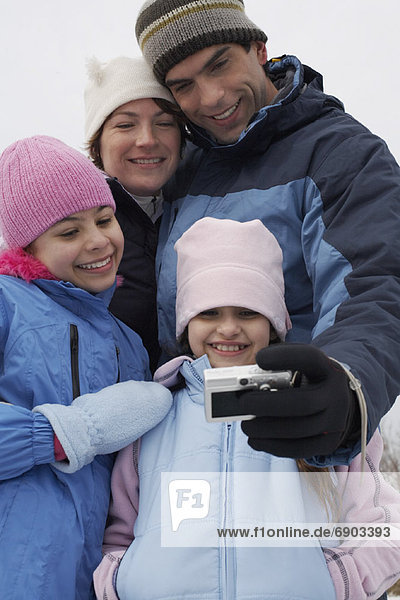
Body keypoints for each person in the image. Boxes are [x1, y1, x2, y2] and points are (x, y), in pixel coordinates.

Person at [133, 0, 400, 466]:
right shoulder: (176, 171)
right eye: (184, 86)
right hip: (181, 449)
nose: (211, 97)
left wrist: (345, 386)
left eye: (220, 64)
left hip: (297, 440)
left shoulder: (342, 153)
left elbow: (378, 284)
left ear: (258, 50)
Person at [93, 218, 400, 600]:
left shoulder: (319, 408)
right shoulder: (153, 414)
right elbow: (117, 534)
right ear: (186, 324)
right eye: (208, 313)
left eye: (247, 312)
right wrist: (122, 582)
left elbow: (383, 527)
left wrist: (335, 582)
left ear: (272, 323)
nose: (228, 329)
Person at [0, 135, 173, 600]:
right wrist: (68, 431)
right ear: (29, 247)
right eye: (69, 231)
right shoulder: (6, 304)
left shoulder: (128, 344)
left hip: (91, 581)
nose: (98, 241)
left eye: (104, 219)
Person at [84, 55, 185, 371]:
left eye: (164, 122)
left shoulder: (206, 207)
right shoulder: (67, 223)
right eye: (125, 124)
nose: (147, 140)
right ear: (97, 144)